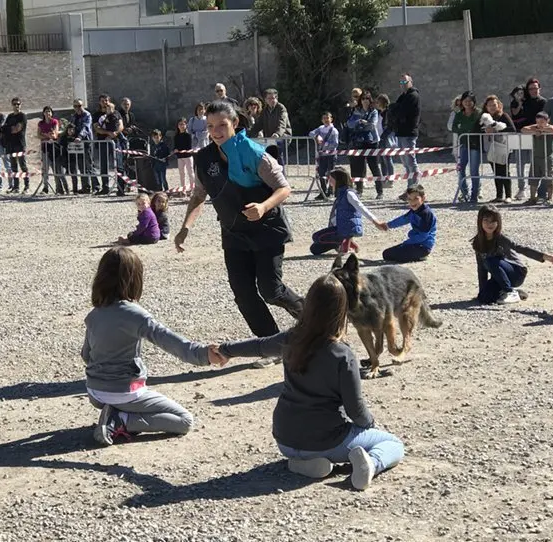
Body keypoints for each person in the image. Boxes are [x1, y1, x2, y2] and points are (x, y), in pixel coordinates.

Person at [214, 274, 405, 490]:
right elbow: (355, 408)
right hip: (326, 441)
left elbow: (258, 346)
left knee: (314, 449)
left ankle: (305, 464)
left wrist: (225, 349)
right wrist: (370, 426)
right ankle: (370, 464)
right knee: (392, 443)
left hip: (285, 439)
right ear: (341, 311)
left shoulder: (291, 338)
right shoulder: (342, 354)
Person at [175, 100, 303, 368]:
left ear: (235, 123)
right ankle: (272, 346)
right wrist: (186, 227)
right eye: (211, 126)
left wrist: (264, 206)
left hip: (267, 230)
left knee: (271, 290)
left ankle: (311, 315)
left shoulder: (255, 153)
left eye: (222, 124)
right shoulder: (205, 158)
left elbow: (284, 188)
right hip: (234, 233)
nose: (216, 131)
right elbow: (200, 193)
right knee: (243, 293)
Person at [83, 247, 224, 446]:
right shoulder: (136, 315)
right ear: (134, 278)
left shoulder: (94, 315)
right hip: (125, 392)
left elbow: (86, 355)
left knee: (136, 402)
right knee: (184, 421)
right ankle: (121, 419)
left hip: (95, 393)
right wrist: (203, 355)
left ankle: (115, 413)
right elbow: (171, 342)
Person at [472, 205, 550, 305]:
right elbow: (481, 269)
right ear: (480, 221)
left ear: (498, 222)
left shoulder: (501, 238)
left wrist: (543, 256)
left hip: (516, 273)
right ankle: (516, 292)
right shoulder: (478, 242)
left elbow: (519, 248)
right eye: (486, 220)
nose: (489, 224)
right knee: (484, 298)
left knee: (490, 261)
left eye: (493, 221)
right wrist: (482, 292)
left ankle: (510, 292)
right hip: (500, 276)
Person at [310, 169, 385, 256]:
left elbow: (361, 207)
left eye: (331, 178)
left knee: (317, 237)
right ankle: (348, 242)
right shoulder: (340, 193)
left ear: (338, 180)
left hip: (347, 228)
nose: (329, 180)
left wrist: (375, 221)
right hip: (341, 227)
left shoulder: (349, 193)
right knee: (314, 249)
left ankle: (345, 241)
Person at [380, 184, 436, 263]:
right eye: (409, 199)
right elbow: (403, 219)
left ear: (423, 198)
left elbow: (423, 236)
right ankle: (416, 255)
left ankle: (422, 256)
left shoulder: (426, 214)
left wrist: (406, 243)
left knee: (391, 256)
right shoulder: (414, 210)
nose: (412, 201)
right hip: (414, 243)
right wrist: (388, 225)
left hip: (423, 247)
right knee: (386, 254)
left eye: (415, 198)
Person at [512, 78, 546, 200]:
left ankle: (535, 188)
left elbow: (543, 119)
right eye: (531, 88)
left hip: (537, 135)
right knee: (519, 163)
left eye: (535, 88)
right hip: (522, 135)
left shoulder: (543, 102)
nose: (533, 91)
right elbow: (514, 114)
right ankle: (521, 189)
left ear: (539, 89)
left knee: (536, 163)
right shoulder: (522, 102)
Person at [346, 91, 382, 197]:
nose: (365, 101)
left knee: (374, 166)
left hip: (372, 142)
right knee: (359, 168)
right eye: (363, 99)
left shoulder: (374, 111)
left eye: (367, 98)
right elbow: (350, 124)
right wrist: (359, 122)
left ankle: (380, 192)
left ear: (370, 100)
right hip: (359, 142)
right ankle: (359, 190)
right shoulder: (356, 111)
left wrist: (363, 123)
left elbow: (372, 125)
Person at [482, 95, 516, 203]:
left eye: (494, 105)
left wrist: (496, 130)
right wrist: (485, 131)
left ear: (498, 105)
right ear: (486, 107)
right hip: (491, 147)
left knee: (504, 170)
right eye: (490, 105)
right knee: (496, 171)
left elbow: (512, 129)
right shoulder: (484, 118)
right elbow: (478, 128)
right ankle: (499, 195)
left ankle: (509, 195)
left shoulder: (503, 116)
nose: (492, 107)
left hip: (503, 147)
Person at [520, 111, 553, 206]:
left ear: (547, 120)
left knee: (549, 178)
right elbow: (523, 129)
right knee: (533, 178)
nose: (540, 124)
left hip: (547, 157)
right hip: (536, 157)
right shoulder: (535, 127)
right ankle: (532, 198)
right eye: (538, 121)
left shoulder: (551, 127)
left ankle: (549, 198)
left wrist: (542, 130)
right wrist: (535, 130)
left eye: (542, 121)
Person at [392, 74, 422, 191]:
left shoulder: (413, 96)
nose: (402, 85)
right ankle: (410, 187)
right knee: (405, 162)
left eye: (405, 82)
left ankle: (413, 188)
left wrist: (395, 109)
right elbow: (395, 109)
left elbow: (402, 110)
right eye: (401, 82)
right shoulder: (403, 96)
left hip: (409, 133)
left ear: (411, 82)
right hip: (400, 132)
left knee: (410, 161)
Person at [451, 91, 482, 203]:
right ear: (462, 102)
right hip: (463, 144)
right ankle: (464, 193)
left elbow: (478, 127)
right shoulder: (459, 114)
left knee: (474, 170)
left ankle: (474, 195)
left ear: (474, 102)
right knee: (461, 169)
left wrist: (465, 129)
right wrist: (465, 130)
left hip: (475, 145)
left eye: (470, 101)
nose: (468, 103)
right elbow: (454, 127)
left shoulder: (479, 113)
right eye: (465, 101)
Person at [309, 112, 339, 200]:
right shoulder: (320, 128)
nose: (326, 120)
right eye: (324, 118)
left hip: (331, 155)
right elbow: (311, 133)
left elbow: (335, 144)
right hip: (322, 155)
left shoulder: (334, 130)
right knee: (321, 173)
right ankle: (323, 192)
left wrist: (325, 144)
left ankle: (331, 190)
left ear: (331, 119)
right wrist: (317, 136)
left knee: (331, 173)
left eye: (327, 118)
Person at [2, 97, 28, 194]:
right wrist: (9, 129)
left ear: (20, 105)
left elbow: (17, 129)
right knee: (14, 167)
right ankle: (16, 187)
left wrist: (9, 129)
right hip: (10, 144)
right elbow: (4, 128)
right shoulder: (9, 116)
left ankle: (26, 186)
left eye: (18, 104)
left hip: (20, 144)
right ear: (12, 105)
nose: (16, 106)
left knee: (23, 165)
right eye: (14, 104)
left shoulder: (23, 116)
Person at [71, 99, 96, 193]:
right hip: (77, 144)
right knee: (81, 166)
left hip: (86, 142)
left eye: (80, 105)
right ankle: (86, 187)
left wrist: (80, 137)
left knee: (89, 164)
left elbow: (86, 127)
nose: (78, 108)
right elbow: (71, 127)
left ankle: (95, 186)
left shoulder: (87, 115)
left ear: (83, 105)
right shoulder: (73, 116)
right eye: (75, 106)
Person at [37, 107, 62, 195]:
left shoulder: (54, 122)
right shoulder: (41, 123)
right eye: (46, 111)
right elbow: (38, 135)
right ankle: (45, 187)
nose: (48, 113)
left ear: (51, 113)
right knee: (45, 169)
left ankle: (58, 188)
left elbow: (55, 135)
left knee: (56, 169)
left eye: (49, 111)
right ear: (43, 113)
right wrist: (47, 135)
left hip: (53, 148)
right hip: (44, 148)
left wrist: (45, 135)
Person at [376, 94, 397, 183]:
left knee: (387, 158)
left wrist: (383, 136)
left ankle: (391, 179)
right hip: (380, 137)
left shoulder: (388, 112)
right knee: (382, 159)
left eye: (378, 102)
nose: (377, 104)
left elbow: (390, 126)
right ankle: (384, 179)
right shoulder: (380, 113)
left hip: (385, 137)